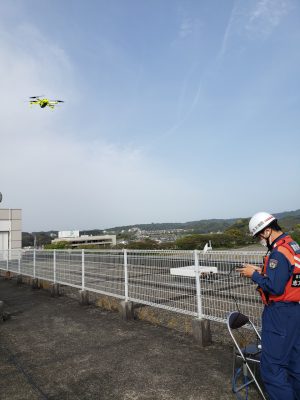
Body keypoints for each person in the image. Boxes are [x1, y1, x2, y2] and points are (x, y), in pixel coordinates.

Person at [237, 211, 300, 400]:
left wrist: (254, 275)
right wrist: (261, 270)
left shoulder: (277, 254)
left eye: (258, 236)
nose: (260, 240)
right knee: (295, 363)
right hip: (295, 311)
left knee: (272, 367)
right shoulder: (292, 245)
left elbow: (275, 287)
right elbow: (287, 274)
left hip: (280, 314)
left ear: (266, 232)